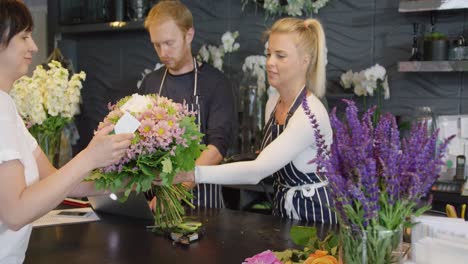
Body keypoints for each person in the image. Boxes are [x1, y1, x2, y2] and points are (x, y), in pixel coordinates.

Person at [168, 17, 337, 224]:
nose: (270, 62)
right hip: (283, 209)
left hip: (315, 216)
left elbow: (257, 171)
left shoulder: (309, 114)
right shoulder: (273, 102)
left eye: (280, 56)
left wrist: (191, 174)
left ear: (305, 61)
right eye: (269, 54)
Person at [0, 1, 133, 262]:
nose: (34, 47)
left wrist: (136, 180)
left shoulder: (7, 107)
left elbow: (63, 181)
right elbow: (15, 213)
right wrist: (90, 157)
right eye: (24, 36)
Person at [140, 0, 236, 208]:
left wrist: (174, 193)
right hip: (155, 201)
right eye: (157, 45)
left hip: (203, 206)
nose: (163, 52)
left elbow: (217, 147)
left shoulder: (216, 83)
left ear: (189, 35)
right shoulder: (151, 82)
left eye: (169, 43)